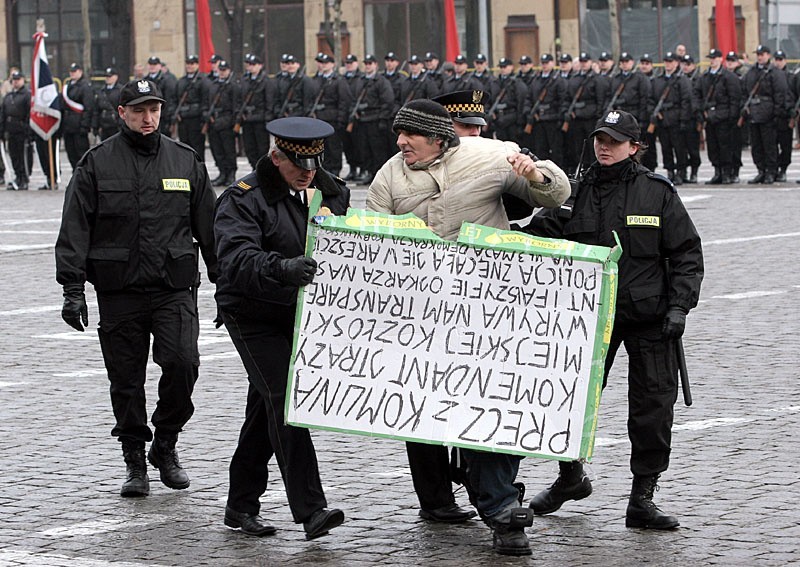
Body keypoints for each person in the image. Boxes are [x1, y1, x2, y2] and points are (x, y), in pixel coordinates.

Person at [366, 99, 571, 556]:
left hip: (489, 311)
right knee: (440, 411)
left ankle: (501, 508)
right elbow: (371, 242)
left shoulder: (492, 156)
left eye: (410, 136)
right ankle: (481, 499)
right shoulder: (389, 176)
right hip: (424, 314)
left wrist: (535, 173)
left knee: (495, 404)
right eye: (398, 136)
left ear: (439, 137)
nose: (401, 144)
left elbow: (555, 194)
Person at [524, 109, 703, 531]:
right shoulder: (575, 191)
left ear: (634, 147)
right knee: (569, 401)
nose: (604, 147)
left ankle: (643, 497)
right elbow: (534, 235)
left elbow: (687, 254)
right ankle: (570, 478)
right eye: (600, 139)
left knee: (653, 408)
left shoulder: (657, 193)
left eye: (615, 141)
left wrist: (680, 307)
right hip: (588, 319)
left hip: (649, 317)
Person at [55, 79, 218, 498]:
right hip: (119, 289)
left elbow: (211, 228)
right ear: (122, 112)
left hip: (173, 287)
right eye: (139, 111)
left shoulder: (184, 161)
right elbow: (75, 228)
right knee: (126, 380)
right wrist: (72, 288)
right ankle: (133, 459)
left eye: (155, 110)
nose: (148, 119)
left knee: (184, 365)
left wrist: (227, 283)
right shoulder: (97, 162)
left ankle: (165, 443)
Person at [213, 117, 347, 540]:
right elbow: (234, 261)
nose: (307, 171)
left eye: (315, 162)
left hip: (297, 312)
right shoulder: (243, 199)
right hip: (251, 313)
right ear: (276, 157)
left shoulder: (324, 189)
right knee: (284, 401)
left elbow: (341, 224)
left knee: (264, 409)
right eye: (297, 163)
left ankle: (240, 505)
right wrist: (283, 268)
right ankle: (311, 509)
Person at [741, 45, 789, 185]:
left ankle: (771, 171)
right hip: (754, 113)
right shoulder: (752, 72)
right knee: (756, 145)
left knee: (769, 145)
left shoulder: (775, 73)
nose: (760, 57)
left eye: (762, 54)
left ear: (768, 55)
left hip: (769, 114)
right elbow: (745, 90)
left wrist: (776, 113)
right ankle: (761, 170)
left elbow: (780, 94)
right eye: (758, 54)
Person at [695, 49, 742, 185]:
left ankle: (727, 172)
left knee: (725, 146)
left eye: (715, 58)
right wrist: (701, 111)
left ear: (721, 59)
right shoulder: (704, 77)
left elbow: (734, 98)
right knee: (713, 147)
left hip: (724, 118)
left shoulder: (728, 77)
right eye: (711, 58)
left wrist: (732, 117)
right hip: (709, 117)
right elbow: (696, 94)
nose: (712, 60)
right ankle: (717, 171)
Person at [650, 52, 692, 184]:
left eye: (671, 61)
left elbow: (686, 101)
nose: (668, 64)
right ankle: (670, 171)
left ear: (676, 63)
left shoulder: (682, 80)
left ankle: (681, 171)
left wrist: (683, 119)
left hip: (676, 117)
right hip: (662, 119)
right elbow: (651, 99)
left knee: (679, 147)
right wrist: (655, 114)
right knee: (665, 147)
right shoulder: (658, 80)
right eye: (666, 61)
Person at [205, 60, 240, 186]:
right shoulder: (213, 85)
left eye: (224, 70)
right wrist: (208, 117)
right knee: (217, 150)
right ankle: (222, 173)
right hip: (214, 121)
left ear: (229, 70)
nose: (222, 72)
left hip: (227, 122)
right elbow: (207, 103)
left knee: (228, 151)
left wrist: (234, 122)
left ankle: (231, 174)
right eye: (220, 70)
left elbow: (236, 106)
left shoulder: (233, 86)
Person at [238, 54, 273, 170]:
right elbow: (240, 99)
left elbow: (269, 101)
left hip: (260, 119)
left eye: (253, 65)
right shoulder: (244, 80)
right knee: (249, 147)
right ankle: (254, 167)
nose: (250, 67)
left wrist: (267, 119)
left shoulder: (265, 81)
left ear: (260, 66)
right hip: (247, 119)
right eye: (249, 65)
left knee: (262, 148)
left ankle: (262, 169)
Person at [0, 70, 31, 190]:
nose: (15, 82)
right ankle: (17, 176)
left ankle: (24, 178)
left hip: (22, 130)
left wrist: (28, 130)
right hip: (11, 130)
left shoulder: (27, 95)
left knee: (23, 156)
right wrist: (2, 131)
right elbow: (3, 114)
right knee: (14, 156)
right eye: (14, 80)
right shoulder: (9, 96)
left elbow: (29, 114)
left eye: (18, 80)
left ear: (23, 80)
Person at [61, 63, 95, 170]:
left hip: (79, 126)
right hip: (68, 126)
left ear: (80, 72)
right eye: (71, 71)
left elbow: (88, 108)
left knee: (82, 155)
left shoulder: (85, 87)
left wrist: (84, 126)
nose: (72, 74)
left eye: (75, 71)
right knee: (71, 154)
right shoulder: (67, 87)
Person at [147, 56, 178, 135]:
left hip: (162, 117)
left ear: (160, 66)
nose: (152, 66)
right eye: (150, 64)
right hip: (148, 116)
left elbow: (169, 99)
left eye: (155, 64)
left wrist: (168, 116)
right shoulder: (145, 80)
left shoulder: (167, 80)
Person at [93, 67, 122, 141]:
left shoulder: (120, 91)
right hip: (104, 126)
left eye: (110, 76)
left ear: (116, 77)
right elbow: (96, 110)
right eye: (106, 76)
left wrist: (121, 124)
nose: (108, 78)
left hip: (115, 126)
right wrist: (95, 126)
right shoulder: (102, 91)